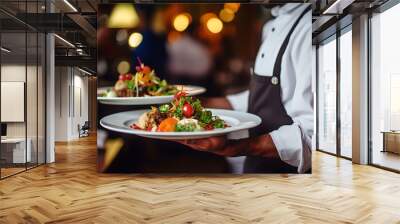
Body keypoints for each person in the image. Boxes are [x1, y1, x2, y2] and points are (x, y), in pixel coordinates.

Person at [177, 3, 313, 173]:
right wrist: (201, 103)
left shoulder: (310, 26)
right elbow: (270, 97)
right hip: (256, 172)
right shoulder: (271, 25)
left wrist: (241, 146)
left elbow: (314, 137)